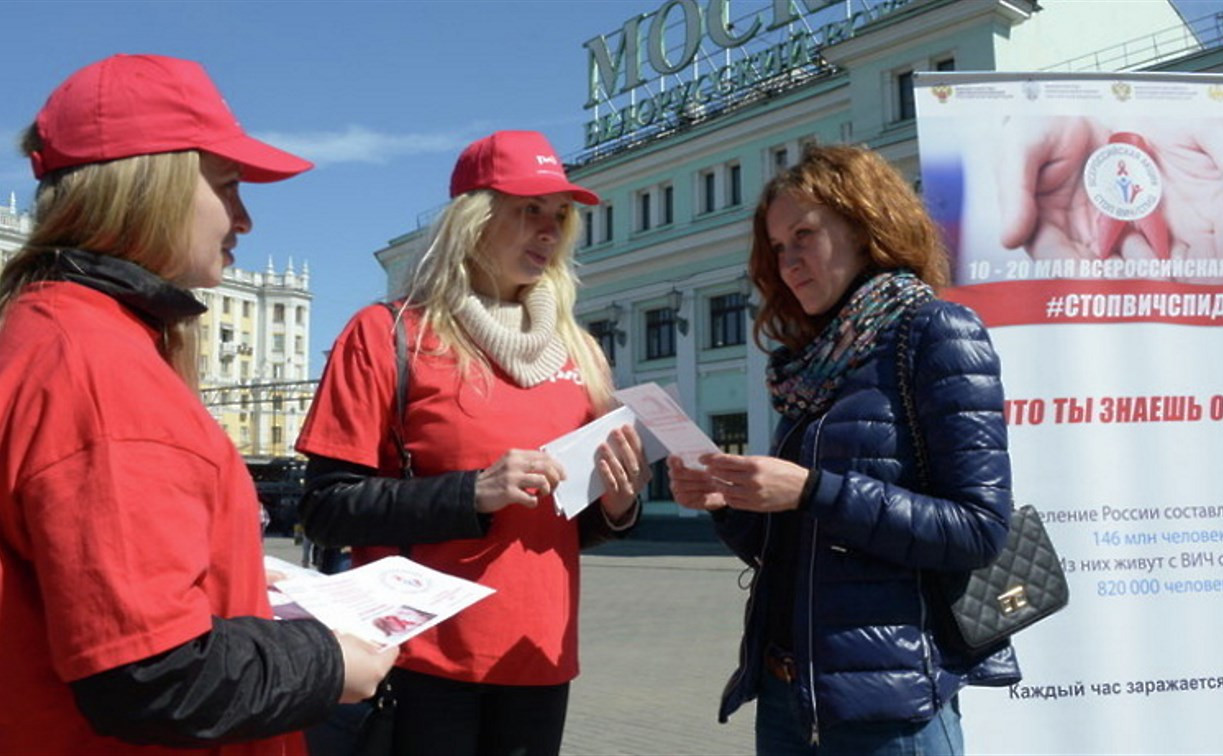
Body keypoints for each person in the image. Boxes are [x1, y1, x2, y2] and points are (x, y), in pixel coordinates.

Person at [0, 54, 396, 754]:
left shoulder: (51, 330)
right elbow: (152, 673)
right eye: (227, 185)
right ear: (148, 185)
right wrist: (330, 661)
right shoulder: (101, 371)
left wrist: (234, 570)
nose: (244, 218)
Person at [295, 130, 650, 756]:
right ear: (473, 220)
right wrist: (473, 493)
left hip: (540, 661)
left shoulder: (582, 352)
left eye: (559, 215)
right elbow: (325, 509)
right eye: (528, 210)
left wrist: (619, 508)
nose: (548, 230)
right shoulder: (388, 334)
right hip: (419, 664)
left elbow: (566, 526)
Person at [668, 143, 1022, 755]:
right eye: (778, 248)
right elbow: (784, 549)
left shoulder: (934, 332)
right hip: (788, 698)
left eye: (804, 234)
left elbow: (978, 529)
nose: (789, 262)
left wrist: (812, 489)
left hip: (888, 714)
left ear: (865, 227)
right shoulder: (812, 365)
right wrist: (727, 503)